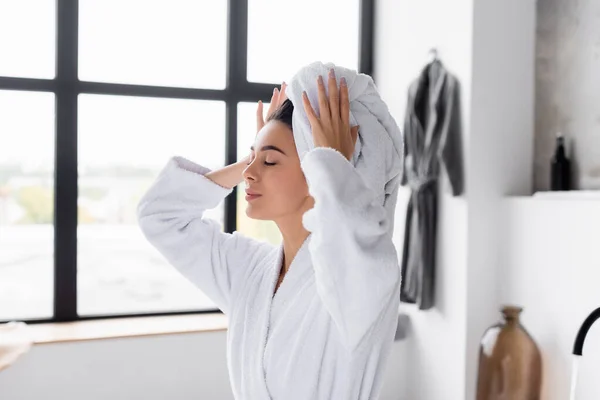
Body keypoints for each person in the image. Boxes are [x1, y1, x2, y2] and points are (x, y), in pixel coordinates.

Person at [137, 69, 401, 399]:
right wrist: (258, 154)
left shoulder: (365, 278)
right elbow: (159, 217)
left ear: (318, 173)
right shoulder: (250, 271)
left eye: (270, 162)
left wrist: (334, 162)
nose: (248, 173)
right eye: (252, 157)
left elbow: (350, 233)